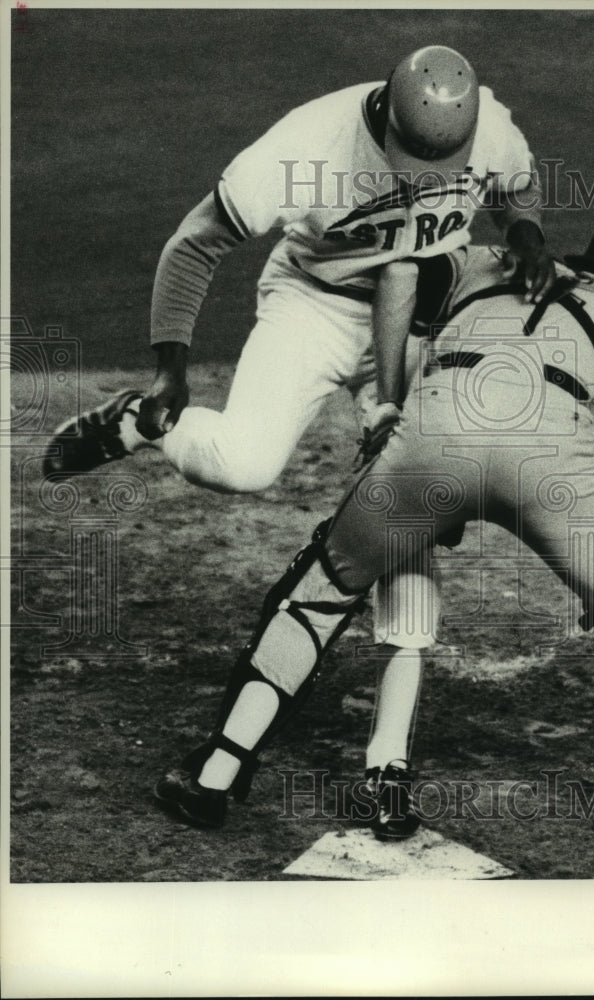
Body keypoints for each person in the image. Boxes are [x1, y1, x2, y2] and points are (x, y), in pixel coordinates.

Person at [152, 228, 594, 876]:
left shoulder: (497, 261)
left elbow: (397, 277)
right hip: (551, 466)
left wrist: (392, 407)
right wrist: (592, 558)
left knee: (318, 595)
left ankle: (216, 773)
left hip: (434, 434)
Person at [42, 45, 555, 823]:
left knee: (405, 516)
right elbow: (194, 243)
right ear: (386, 119)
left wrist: (524, 235)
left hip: (419, 316)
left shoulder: (488, 130)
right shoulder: (303, 147)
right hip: (313, 303)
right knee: (241, 463)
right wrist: (169, 371)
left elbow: (516, 189)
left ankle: (387, 760)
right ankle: (140, 422)